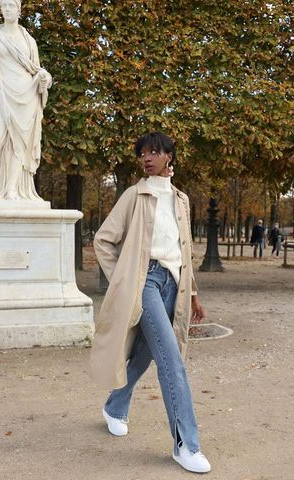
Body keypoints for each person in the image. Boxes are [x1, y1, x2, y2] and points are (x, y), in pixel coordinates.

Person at [90, 131, 211, 474]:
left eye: (155, 151)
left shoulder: (181, 200)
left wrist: (192, 293)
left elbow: (183, 250)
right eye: (143, 152)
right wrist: (125, 281)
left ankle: (114, 407)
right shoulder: (134, 195)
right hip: (145, 282)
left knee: (145, 355)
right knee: (172, 361)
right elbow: (103, 240)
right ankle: (186, 444)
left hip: (174, 284)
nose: (147, 157)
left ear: (169, 157)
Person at [0, 0, 52, 200]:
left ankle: (11, 189)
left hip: (26, 95)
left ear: (19, 9)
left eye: (11, 6)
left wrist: (45, 78)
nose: (7, 9)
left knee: (20, 145)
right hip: (0, 94)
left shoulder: (28, 40)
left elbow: (37, 69)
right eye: (4, 6)